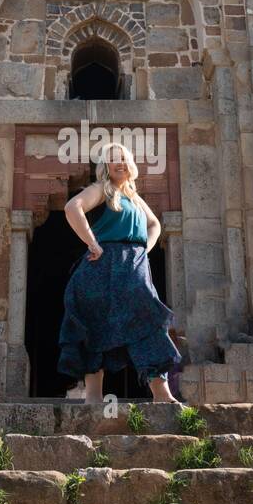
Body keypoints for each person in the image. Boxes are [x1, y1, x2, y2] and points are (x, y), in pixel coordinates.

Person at [59, 143, 182, 405]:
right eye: (113, 159)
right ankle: (93, 398)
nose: (119, 163)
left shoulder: (135, 198)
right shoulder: (102, 189)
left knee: (147, 320)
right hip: (101, 268)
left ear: (131, 164)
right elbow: (73, 208)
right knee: (94, 324)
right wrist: (92, 243)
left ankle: (162, 393)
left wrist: (144, 249)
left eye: (123, 158)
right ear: (105, 166)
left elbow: (154, 224)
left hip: (133, 266)